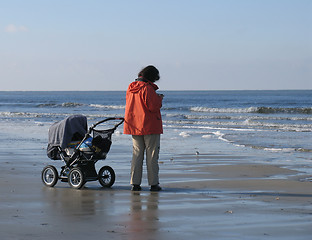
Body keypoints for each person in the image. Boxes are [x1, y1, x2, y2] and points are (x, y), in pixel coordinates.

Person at [124, 65, 163, 191]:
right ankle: (153, 183)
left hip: (135, 125)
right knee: (152, 155)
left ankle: (135, 183)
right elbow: (153, 106)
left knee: (137, 154)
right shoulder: (147, 88)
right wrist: (159, 98)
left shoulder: (131, 88)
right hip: (149, 125)